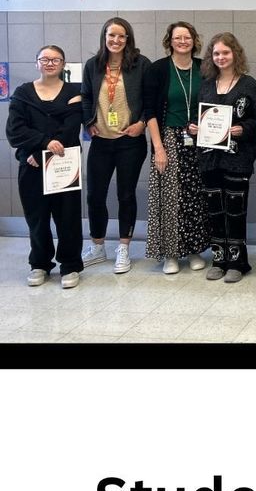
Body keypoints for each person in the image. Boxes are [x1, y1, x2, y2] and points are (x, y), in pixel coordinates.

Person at [7, 45, 84, 289]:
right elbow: (15, 130)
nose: (50, 63)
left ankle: (70, 265)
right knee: (37, 218)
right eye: (45, 59)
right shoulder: (22, 93)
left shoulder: (74, 92)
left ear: (63, 64)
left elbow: (70, 129)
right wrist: (42, 146)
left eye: (55, 60)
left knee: (68, 217)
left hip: (64, 164)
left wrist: (43, 153)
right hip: (31, 166)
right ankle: (40, 264)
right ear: (36, 63)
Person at [80, 17, 150, 275]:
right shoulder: (93, 65)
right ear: (104, 37)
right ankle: (98, 246)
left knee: (126, 195)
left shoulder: (141, 64)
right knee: (94, 195)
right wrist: (88, 122)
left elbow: (151, 99)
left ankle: (123, 248)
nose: (116, 40)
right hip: (101, 141)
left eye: (121, 36)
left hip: (130, 141)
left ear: (128, 39)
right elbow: (86, 96)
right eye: (111, 35)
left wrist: (142, 123)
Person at [192, 33, 256, 284]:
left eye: (225, 52)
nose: (221, 57)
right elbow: (196, 117)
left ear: (235, 54)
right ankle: (218, 259)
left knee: (235, 210)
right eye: (216, 53)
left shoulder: (248, 85)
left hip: (238, 159)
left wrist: (243, 128)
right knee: (214, 210)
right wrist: (194, 128)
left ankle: (237, 262)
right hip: (209, 159)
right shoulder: (206, 85)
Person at [144, 21, 210, 274]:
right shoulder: (158, 69)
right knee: (170, 197)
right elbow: (149, 111)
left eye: (187, 37)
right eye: (177, 37)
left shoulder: (204, 68)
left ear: (194, 41)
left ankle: (194, 249)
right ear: (169, 41)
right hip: (169, 139)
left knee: (196, 197)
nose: (183, 41)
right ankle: (170, 253)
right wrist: (158, 149)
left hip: (199, 140)